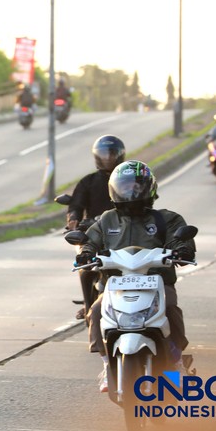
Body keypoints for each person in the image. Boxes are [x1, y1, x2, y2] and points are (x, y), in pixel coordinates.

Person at [76, 160, 196, 393]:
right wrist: (86, 253)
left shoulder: (166, 219)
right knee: (97, 311)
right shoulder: (106, 219)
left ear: (149, 188)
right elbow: (90, 241)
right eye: (125, 186)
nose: (131, 192)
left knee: (170, 308)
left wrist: (182, 249)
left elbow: (178, 238)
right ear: (114, 190)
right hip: (116, 284)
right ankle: (105, 364)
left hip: (156, 282)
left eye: (137, 186)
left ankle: (177, 362)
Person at [65, 135, 126, 320]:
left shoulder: (128, 179)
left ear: (120, 155)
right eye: (104, 155)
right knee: (85, 268)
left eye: (112, 154)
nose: (108, 158)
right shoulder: (88, 181)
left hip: (124, 231)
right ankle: (87, 304)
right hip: (93, 233)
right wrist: (73, 218)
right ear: (97, 157)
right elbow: (75, 205)